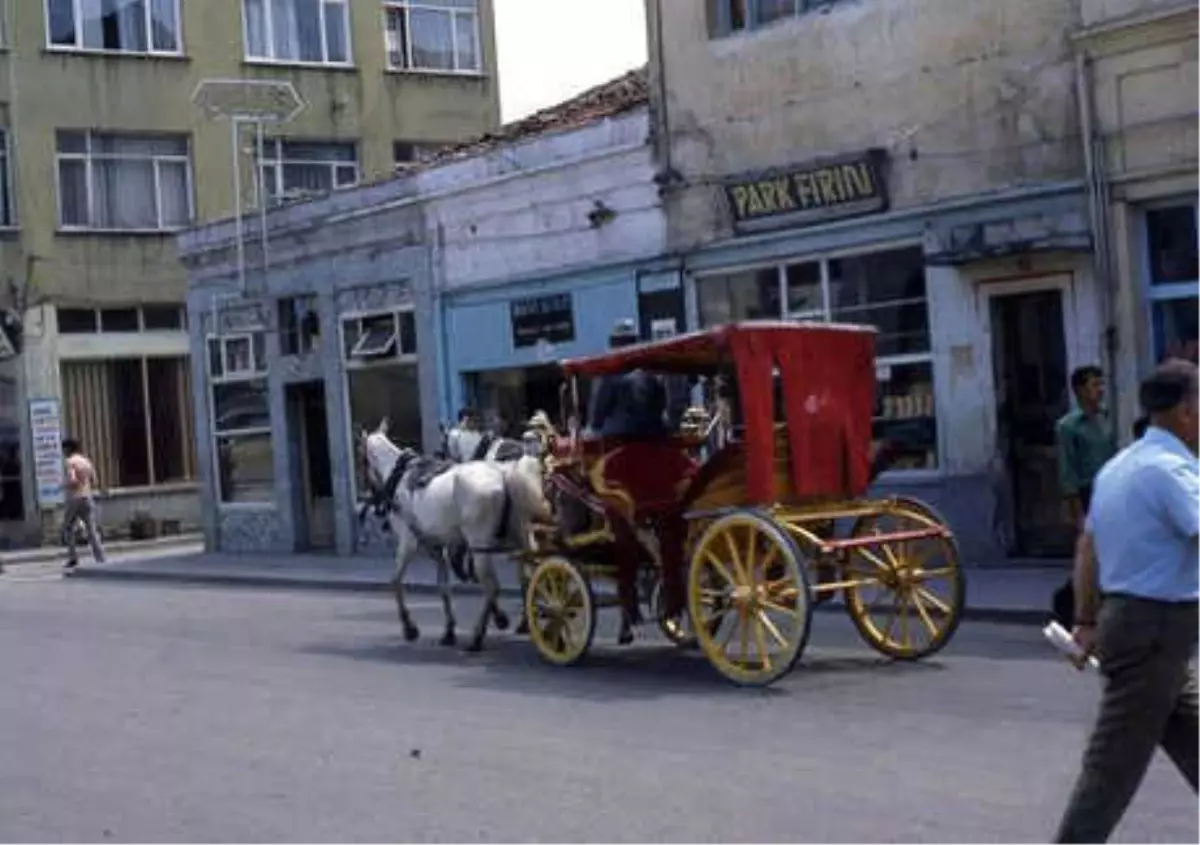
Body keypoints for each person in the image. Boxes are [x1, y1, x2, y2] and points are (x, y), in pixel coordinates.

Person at [1051, 359, 1200, 844]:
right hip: (1153, 636)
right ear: (1184, 411)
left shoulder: (1120, 466)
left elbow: (1087, 546)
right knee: (1111, 771)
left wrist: (1087, 619)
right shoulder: (1169, 472)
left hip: (1149, 636)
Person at [1052, 365, 1117, 628]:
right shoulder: (1068, 426)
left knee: (1109, 551)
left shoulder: (1106, 418)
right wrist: (1075, 508)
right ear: (1079, 390)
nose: (1099, 391)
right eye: (1094, 385)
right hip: (1086, 492)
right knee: (1089, 551)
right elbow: (1067, 469)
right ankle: (1067, 603)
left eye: (1101, 385)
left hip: (1110, 490)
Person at [61, 438, 105, 572]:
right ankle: (100, 557)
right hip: (87, 497)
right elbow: (95, 480)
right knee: (91, 529)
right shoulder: (86, 461)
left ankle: (73, 557)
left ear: (68, 449)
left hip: (75, 498)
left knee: (67, 527)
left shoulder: (70, 462)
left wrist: (63, 486)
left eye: (64, 449)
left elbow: (73, 480)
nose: (63, 452)